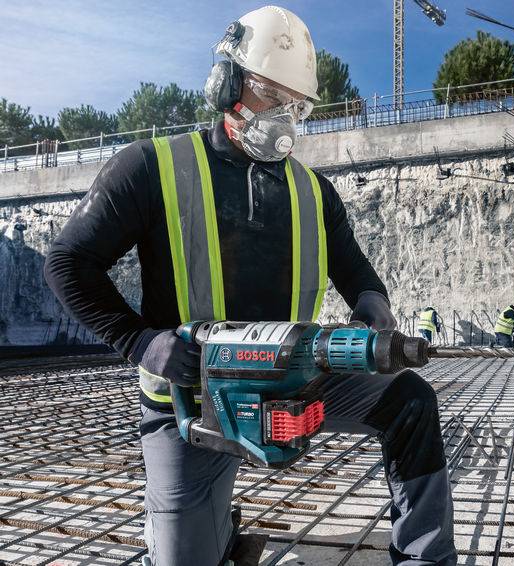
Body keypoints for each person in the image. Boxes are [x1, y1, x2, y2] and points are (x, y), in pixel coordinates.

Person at [44, 7, 455, 566]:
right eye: (269, 95)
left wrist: (372, 302)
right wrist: (140, 342)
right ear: (227, 83)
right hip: (191, 403)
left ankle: (426, 558)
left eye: (297, 106)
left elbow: (357, 272)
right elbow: (68, 263)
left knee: (410, 399)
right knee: (183, 559)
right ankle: (214, 528)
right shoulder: (151, 167)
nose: (283, 116)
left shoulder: (314, 192)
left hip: (294, 382)